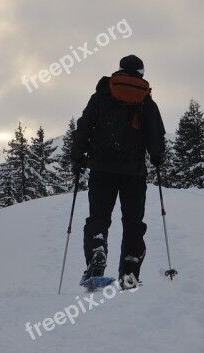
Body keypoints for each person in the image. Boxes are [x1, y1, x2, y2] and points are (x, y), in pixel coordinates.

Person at [71, 55, 166, 286]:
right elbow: (156, 135)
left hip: (102, 168)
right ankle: (130, 273)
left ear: (120, 70)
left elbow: (83, 126)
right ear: (141, 74)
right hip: (134, 172)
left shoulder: (102, 95)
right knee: (133, 221)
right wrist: (156, 157)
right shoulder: (146, 101)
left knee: (99, 217)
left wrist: (77, 156)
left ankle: (97, 252)